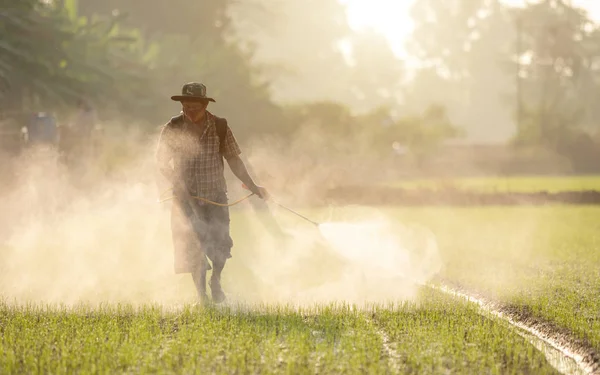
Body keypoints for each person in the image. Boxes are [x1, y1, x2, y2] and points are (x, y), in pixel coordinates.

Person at [156, 82, 269, 304]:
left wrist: (252, 185)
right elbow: (161, 161)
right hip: (185, 201)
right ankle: (202, 295)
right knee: (192, 248)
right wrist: (176, 182)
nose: (189, 113)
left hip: (216, 197)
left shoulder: (220, 126)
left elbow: (234, 159)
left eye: (195, 108)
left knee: (221, 244)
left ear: (205, 105)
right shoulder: (174, 127)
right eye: (186, 108)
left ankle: (215, 279)